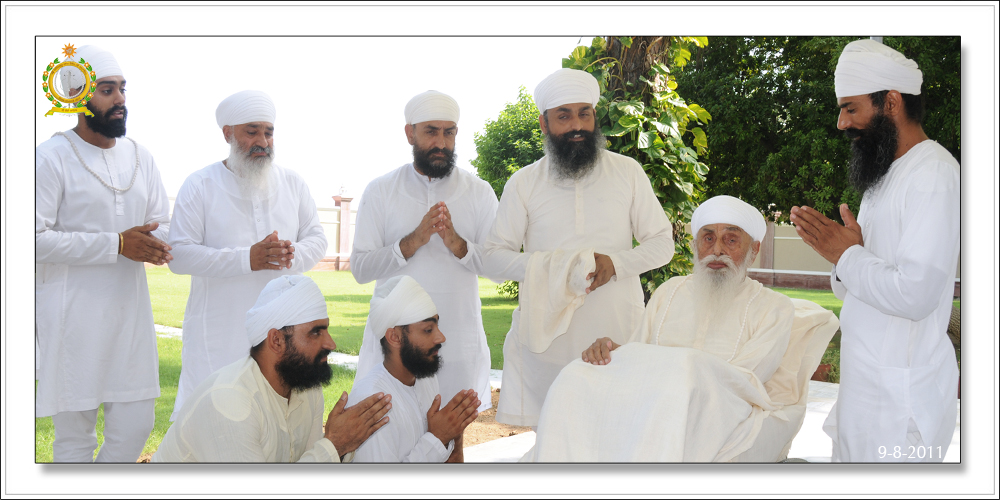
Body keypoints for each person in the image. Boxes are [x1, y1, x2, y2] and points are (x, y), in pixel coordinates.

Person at [789, 39, 959, 462]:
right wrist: (843, 257)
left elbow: (916, 295)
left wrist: (847, 256)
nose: (841, 123)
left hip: (902, 407)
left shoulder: (933, 174)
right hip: (864, 394)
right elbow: (854, 289)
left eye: (850, 108)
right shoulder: (882, 180)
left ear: (891, 102)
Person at [527, 196, 797, 462]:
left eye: (731, 240)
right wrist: (615, 352)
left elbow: (746, 380)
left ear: (754, 250)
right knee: (575, 375)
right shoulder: (670, 291)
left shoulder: (774, 308)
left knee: (684, 376)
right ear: (696, 245)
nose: (717, 250)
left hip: (722, 408)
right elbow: (638, 351)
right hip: (651, 396)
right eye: (708, 238)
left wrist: (685, 371)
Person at [483, 68, 674, 427]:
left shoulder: (628, 172)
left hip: (616, 335)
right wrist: (559, 269)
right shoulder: (524, 182)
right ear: (544, 124)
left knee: (620, 433)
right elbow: (492, 258)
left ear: (595, 117)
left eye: (584, 114)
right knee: (553, 438)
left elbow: (663, 244)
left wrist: (615, 264)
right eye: (564, 116)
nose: (577, 125)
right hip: (547, 342)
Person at [35, 45, 172, 462]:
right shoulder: (50, 157)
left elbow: (162, 221)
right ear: (76, 97)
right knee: (75, 441)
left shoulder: (141, 156)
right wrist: (117, 244)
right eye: (107, 90)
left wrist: (156, 244)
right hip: (71, 318)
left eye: (122, 89)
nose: (119, 99)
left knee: (136, 426)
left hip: (130, 317)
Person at [167, 90, 328, 420]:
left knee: (280, 423)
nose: (262, 142)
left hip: (283, 333)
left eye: (268, 132)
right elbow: (179, 255)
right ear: (227, 133)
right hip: (219, 334)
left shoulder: (293, 183)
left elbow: (317, 239)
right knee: (215, 421)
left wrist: (291, 253)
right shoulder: (199, 185)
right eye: (252, 131)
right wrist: (247, 259)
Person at [350, 90, 497, 416]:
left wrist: (458, 245)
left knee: (452, 431)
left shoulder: (479, 192)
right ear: (410, 133)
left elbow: (499, 269)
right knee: (389, 428)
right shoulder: (381, 190)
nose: (441, 143)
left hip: (456, 341)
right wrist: (410, 243)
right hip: (396, 345)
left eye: (449, 132)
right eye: (431, 131)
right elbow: (360, 269)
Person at [152, 275, 391, 462]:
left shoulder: (307, 390)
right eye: (315, 332)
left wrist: (344, 442)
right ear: (276, 340)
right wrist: (335, 445)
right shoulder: (230, 401)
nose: (331, 344)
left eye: (326, 330)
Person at [349, 275, 481, 462]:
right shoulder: (372, 402)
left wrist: (454, 436)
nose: (441, 337)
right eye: (428, 330)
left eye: (437, 326)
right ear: (394, 337)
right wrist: (438, 438)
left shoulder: (426, 380)